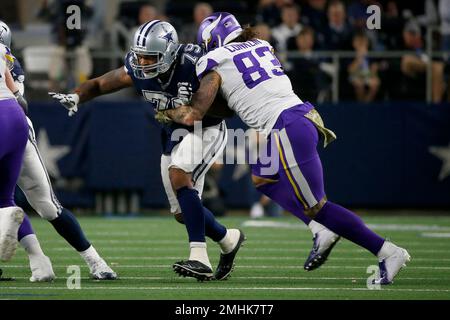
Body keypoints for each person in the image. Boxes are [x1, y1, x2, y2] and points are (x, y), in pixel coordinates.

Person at [166, 12, 411, 285]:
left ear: (212, 41)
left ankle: (387, 251)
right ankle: (320, 229)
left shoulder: (214, 58)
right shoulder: (261, 44)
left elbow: (201, 108)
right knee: (262, 177)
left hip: (286, 126)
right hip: (296, 118)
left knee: (319, 207)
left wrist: (176, 110)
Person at [50, 20, 245, 282]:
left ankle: (199, 257)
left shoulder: (195, 63)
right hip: (173, 134)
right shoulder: (137, 68)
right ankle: (228, 239)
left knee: (179, 174)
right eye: (139, 57)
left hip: (205, 128)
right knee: (181, 213)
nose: (142, 63)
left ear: (168, 53)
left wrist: (181, 109)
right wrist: (76, 96)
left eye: (148, 57)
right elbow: (99, 84)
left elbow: (209, 110)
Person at [0, 21, 116, 281]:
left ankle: (88, 259)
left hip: (8, 126)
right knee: (44, 206)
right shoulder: (7, 58)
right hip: (19, 127)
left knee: (21, 205)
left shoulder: (8, 60)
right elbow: (20, 100)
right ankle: (81, 262)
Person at [0, 43, 28, 264]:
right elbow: (20, 97)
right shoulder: (1, 48)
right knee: (5, 197)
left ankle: (4, 220)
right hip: (16, 115)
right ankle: (40, 263)